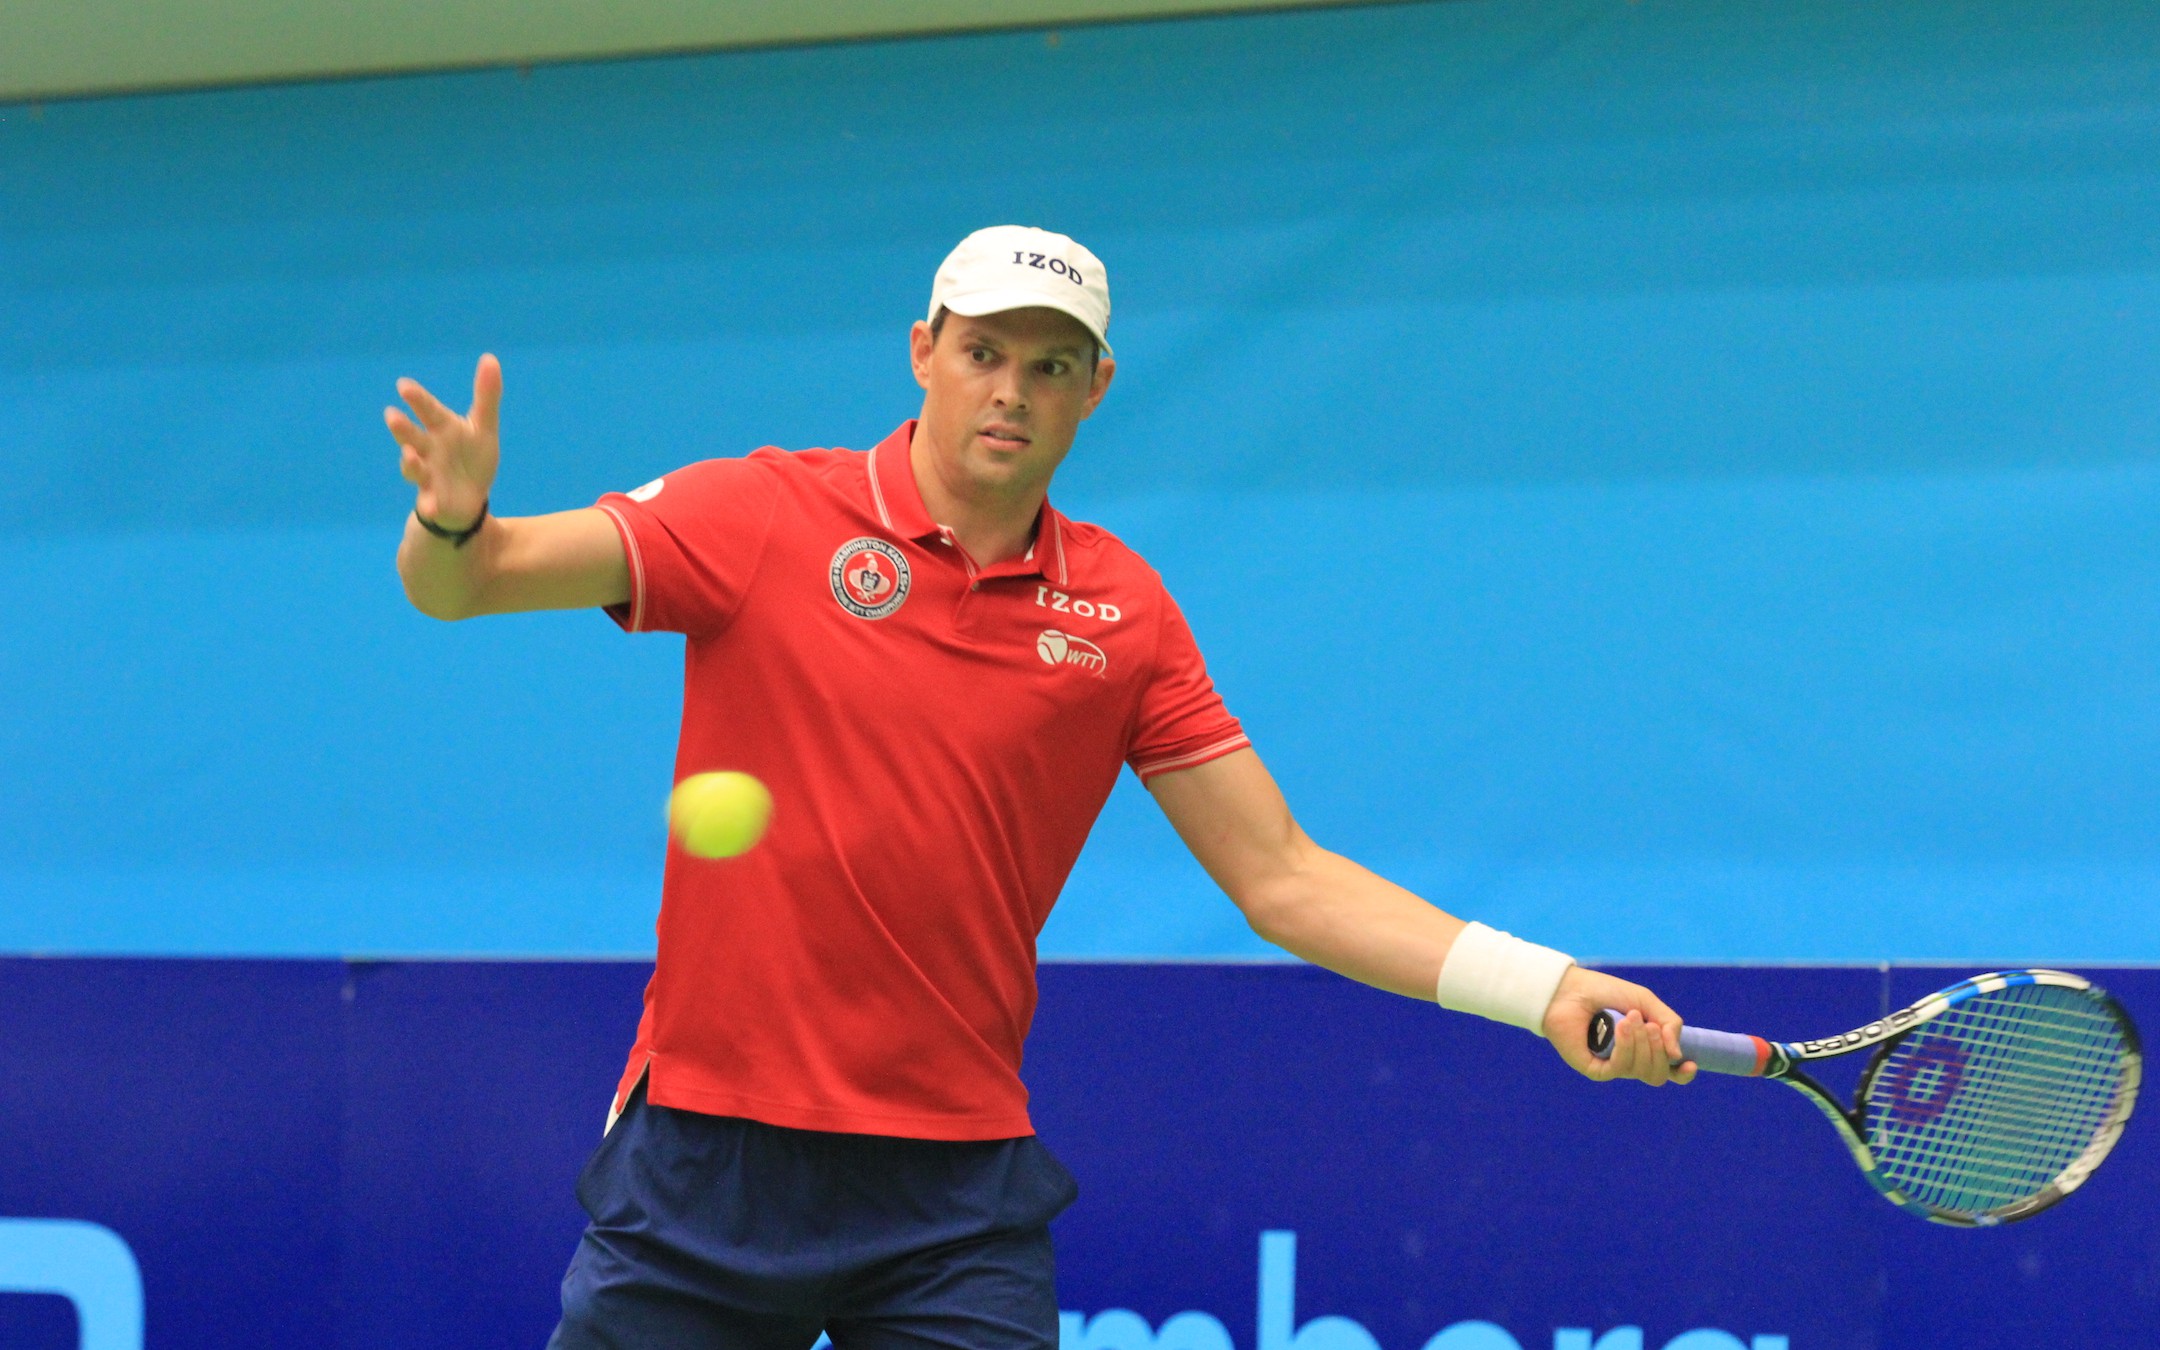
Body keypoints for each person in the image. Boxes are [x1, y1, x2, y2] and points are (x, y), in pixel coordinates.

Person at [387, 225, 1696, 1350]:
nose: (1010, 391)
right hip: (710, 1156)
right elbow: (476, 580)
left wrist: (1545, 986)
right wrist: (450, 522)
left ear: (1095, 388)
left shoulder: (1121, 612)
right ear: (923, 351)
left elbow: (1282, 876)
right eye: (984, 354)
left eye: (1050, 364)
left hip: (951, 1191)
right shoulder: (764, 515)